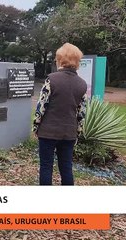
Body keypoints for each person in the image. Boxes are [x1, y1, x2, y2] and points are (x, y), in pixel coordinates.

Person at [33, 43, 87, 186]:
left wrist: (36, 126)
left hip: (48, 132)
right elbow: (81, 112)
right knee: (66, 167)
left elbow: (41, 106)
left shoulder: (52, 79)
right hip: (69, 133)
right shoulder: (82, 84)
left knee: (46, 166)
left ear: (61, 60)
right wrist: (78, 132)